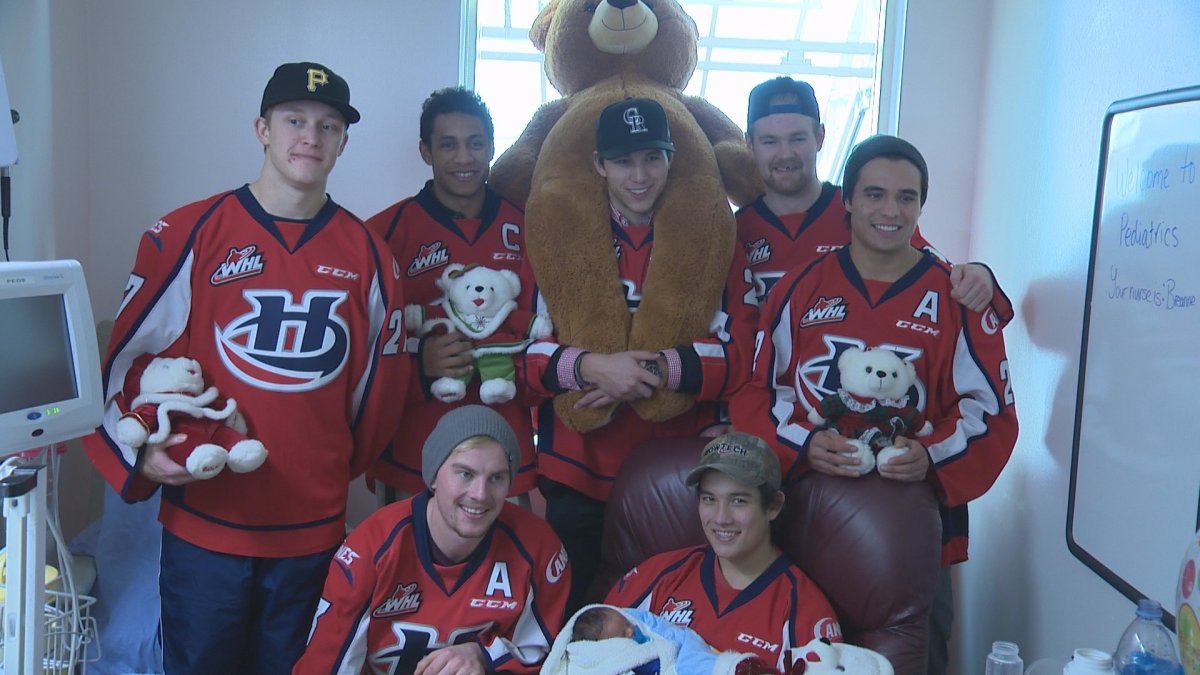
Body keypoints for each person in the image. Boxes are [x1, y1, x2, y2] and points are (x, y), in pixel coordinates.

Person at [81, 61, 410, 674]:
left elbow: (378, 394)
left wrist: (325, 465)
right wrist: (140, 456)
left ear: (343, 141)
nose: (310, 136)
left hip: (311, 533)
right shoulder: (189, 231)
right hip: (207, 528)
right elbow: (124, 359)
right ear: (262, 128)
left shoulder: (370, 256)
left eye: (328, 125)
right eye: (294, 120)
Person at [733, 135, 1019, 675]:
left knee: (916, 657)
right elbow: (758, 393)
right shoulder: (797, 288)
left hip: (914, 535)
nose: (891, 211)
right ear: (847, 200)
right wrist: (805, 443)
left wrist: (930, 455)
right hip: (805, 516)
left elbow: (992, 414)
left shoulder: (957, 298)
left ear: (920, 206)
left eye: (906, 198)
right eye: (875, 195)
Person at [521, 97, 757, 615]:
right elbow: (526, 359)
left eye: (652, 157)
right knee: (569, 616)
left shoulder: (712, 237)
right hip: (577, 464)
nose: (640, 175)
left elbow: (740, 354)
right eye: (624, 161)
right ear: (599, 165)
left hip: (672, 465)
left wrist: (647, 370)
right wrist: (590, 367)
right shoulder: (560, 235)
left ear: (672, 159)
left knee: (667, 616)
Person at [293, 405, 571, 674]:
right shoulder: (372, 548)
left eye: (497, 477)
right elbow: (326, 664)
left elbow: (552, 658)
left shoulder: (539, 549)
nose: (480, 494)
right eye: (465, 474)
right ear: (434, 476)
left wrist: (484, 657)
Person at [365, 87, 538, 502]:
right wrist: (417, 363)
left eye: (475, 143)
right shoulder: (381, 233)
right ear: (426, 151)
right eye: (448, 145)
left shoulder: (530, 228)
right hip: (415, 445)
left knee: (508, 563)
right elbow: (361, 347)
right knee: (410, 564)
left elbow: (546, 331)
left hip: (505, 440)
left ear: (492, 147)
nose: (464, 158)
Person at [736, 76, 1005, 315]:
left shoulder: (867, 210)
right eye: (770, 141)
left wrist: (979, 275)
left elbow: (939, 273)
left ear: (820, 137)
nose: (785, 154)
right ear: (749, 144)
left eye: (797, 139)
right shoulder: (734, 230)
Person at [605, 432, 842, 672]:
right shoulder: (660, 574)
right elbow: (587, 652)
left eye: (738, 501)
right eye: (709, 499)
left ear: (773, 506)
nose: (720, 518)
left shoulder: (803, 609)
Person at [542, 604, 776, 675]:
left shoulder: (640, 628)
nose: (631, 631)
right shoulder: (596, 661)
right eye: (623, 634)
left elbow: (669, 638)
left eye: (627, 625)